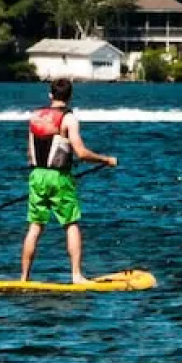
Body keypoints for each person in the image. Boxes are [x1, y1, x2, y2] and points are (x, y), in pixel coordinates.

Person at [21, 77, 117, 283]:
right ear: (70, 96)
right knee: (71, 224)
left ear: (50, 95)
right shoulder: (69, 119)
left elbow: (32, 149)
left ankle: (24, 277)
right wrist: (106, 160)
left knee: (35, 226)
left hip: (36, 176)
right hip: (59, 177)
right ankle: (76, 275)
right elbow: (81, 153)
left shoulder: (35, 117)